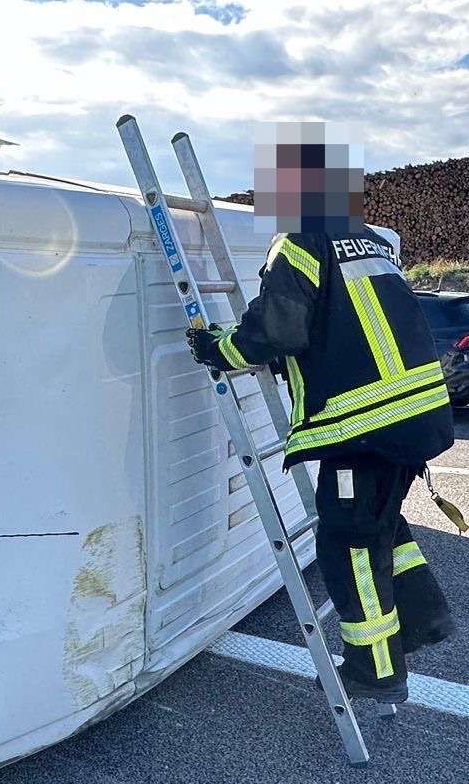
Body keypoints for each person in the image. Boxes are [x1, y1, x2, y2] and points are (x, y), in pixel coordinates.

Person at [185, 124, 455, 704]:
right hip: (415, 419)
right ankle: (426, 613)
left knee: (348, 544)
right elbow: (346, 330)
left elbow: (277, 329)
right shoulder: (371, 243)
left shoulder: (300, 243)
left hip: (364, 429)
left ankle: (375, 671)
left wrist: (219, 349)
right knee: (382, 524)